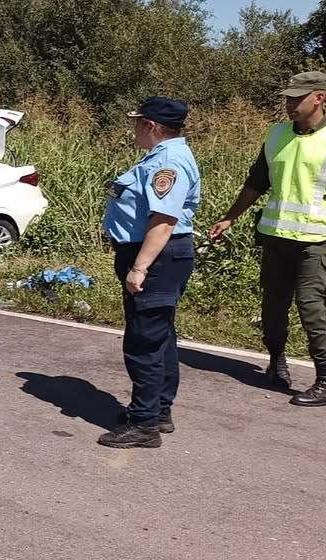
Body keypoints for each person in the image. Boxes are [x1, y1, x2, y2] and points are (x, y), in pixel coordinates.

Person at [209, 71, 326, 406]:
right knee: (273, 307)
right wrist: (230, 216)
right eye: (287, 98)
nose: (289, 104)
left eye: (297, 98)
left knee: (311, 306)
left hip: (317, 240)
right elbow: (256, 182)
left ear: (319, 97)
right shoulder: (276, 135)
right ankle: (276, 363)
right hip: (276, 236)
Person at [99, 97, 200, 449]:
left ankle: (144, 424)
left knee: (144, 342)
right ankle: (157, 411)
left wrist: (139, 267)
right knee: (160, 337)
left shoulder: (167, 162)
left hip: (155, 257)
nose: (134, 129)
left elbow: (164, 220)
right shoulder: (162, 156)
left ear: (151, 125)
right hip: (156, 255)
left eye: (137, 123)